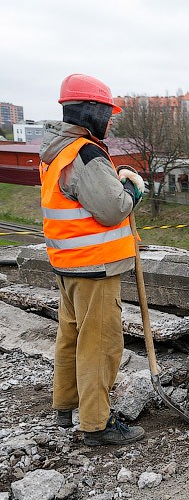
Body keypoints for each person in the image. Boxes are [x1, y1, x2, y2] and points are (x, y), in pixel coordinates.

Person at [40, 74, 146, 446]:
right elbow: (112, 208)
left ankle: (66, 407)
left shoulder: (57, 151)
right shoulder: (86, 152)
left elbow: (80, 195)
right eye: (107, 111)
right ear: (89, 110)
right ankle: (96, 424)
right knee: (100, 343)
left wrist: (110, 179)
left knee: (71, 336)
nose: (110, 119)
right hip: (95, 268)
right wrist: (133, 187)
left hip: (68, 265)